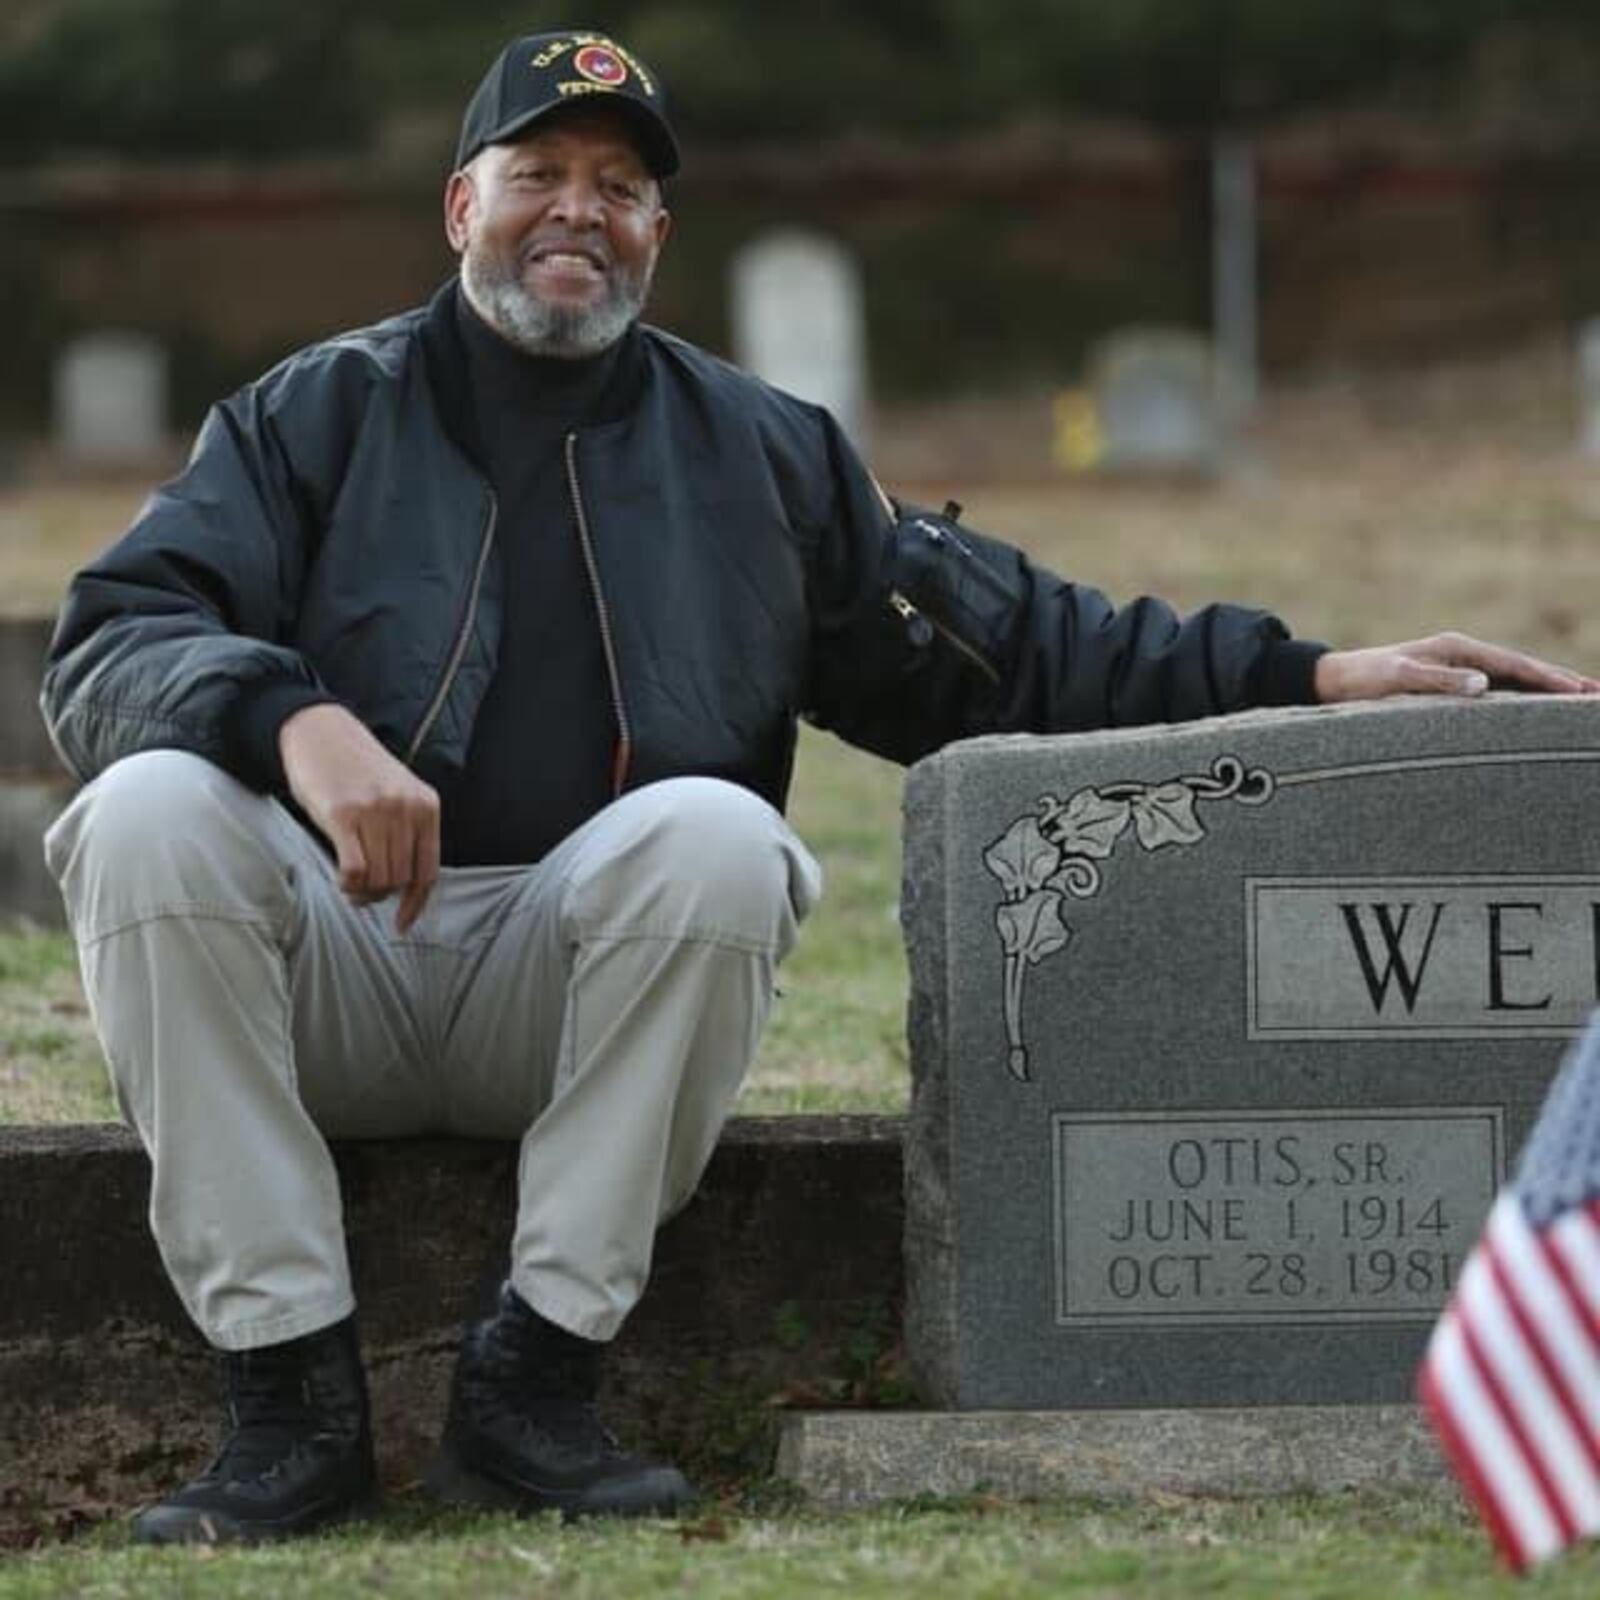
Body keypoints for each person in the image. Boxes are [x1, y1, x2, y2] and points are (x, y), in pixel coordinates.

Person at [38, 27, 1596, 1546]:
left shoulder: (759, 454)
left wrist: (1312, 673)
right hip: (340, 971)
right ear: (462, 206)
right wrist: (298, 722)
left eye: (618, 184)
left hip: (583, 1001)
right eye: (538, 172)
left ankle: (535, 1388)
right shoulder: (312, 413)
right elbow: (115, 639)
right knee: (145, 813)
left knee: (722, 837)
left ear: (657, 230)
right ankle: (290, 1407)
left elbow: (1021, 651)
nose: (578, 207)